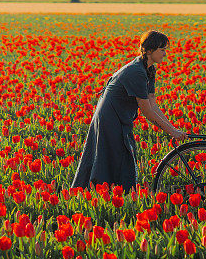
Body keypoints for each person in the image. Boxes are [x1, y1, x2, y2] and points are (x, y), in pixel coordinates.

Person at [71, 30, 187, 192]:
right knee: (112, 159)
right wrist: (171, 132)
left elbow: (153, 104)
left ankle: (114, 194)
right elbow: (147, 111)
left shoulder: (148, 69)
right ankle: (102, 195)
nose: (165, 54)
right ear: (149, 51)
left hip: (121, 118)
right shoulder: (136, 72)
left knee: (122, 159)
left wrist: (173, 129)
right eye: (162, 50)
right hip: (110, 119)